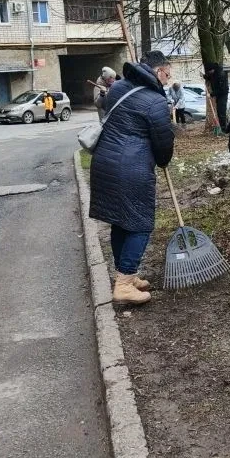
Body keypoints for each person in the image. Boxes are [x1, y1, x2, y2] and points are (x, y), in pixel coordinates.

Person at [89, 50, 175, 305]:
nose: (168, 79)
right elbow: (163, 144)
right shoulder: (155, 101)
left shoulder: (118, 88)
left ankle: (126, 275)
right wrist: (163, 158)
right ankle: (124, 283)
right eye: (167, 74)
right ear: (158, 71)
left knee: (120, 221)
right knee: (140, 223)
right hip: (131, 168)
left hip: (104, 162)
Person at [204, 61, 229, 131]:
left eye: (209, 71)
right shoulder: (214, 73)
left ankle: (224, 129)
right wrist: (206, 77)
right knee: (219, 112)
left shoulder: (221, 74)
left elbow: (222, 89)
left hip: (223, 95)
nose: (209, 73)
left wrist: (211, 94)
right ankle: (223, 127)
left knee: (221, 112)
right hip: (218, 95)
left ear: (212, 69)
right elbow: (212, 78)